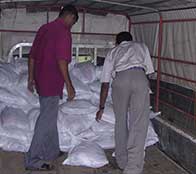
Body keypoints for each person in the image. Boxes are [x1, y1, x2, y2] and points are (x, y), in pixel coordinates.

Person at [25, 5, 78, 171]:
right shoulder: (63, 32)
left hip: (41, 80)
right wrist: (69, 85)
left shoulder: (45, 28)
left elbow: (32, 56)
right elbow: (62, 60)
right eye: (73, 22)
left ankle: (52, 150)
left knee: (49, 116)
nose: (72, 25)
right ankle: (32, 159)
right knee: (45, 120)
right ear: (70, 17)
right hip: (52, 82)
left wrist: (31, 77)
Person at [96, 32, 154, 174]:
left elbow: (105, 83)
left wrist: (101, 107)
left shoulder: (113, 51)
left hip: (120, 79)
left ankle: (122, 161)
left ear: (117, 42)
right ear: (131, 40)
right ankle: (133, 168)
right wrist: (144, 86)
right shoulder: (142, 47)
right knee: (138, 123)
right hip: (140, 76)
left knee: (120, 121)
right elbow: (150, 72)